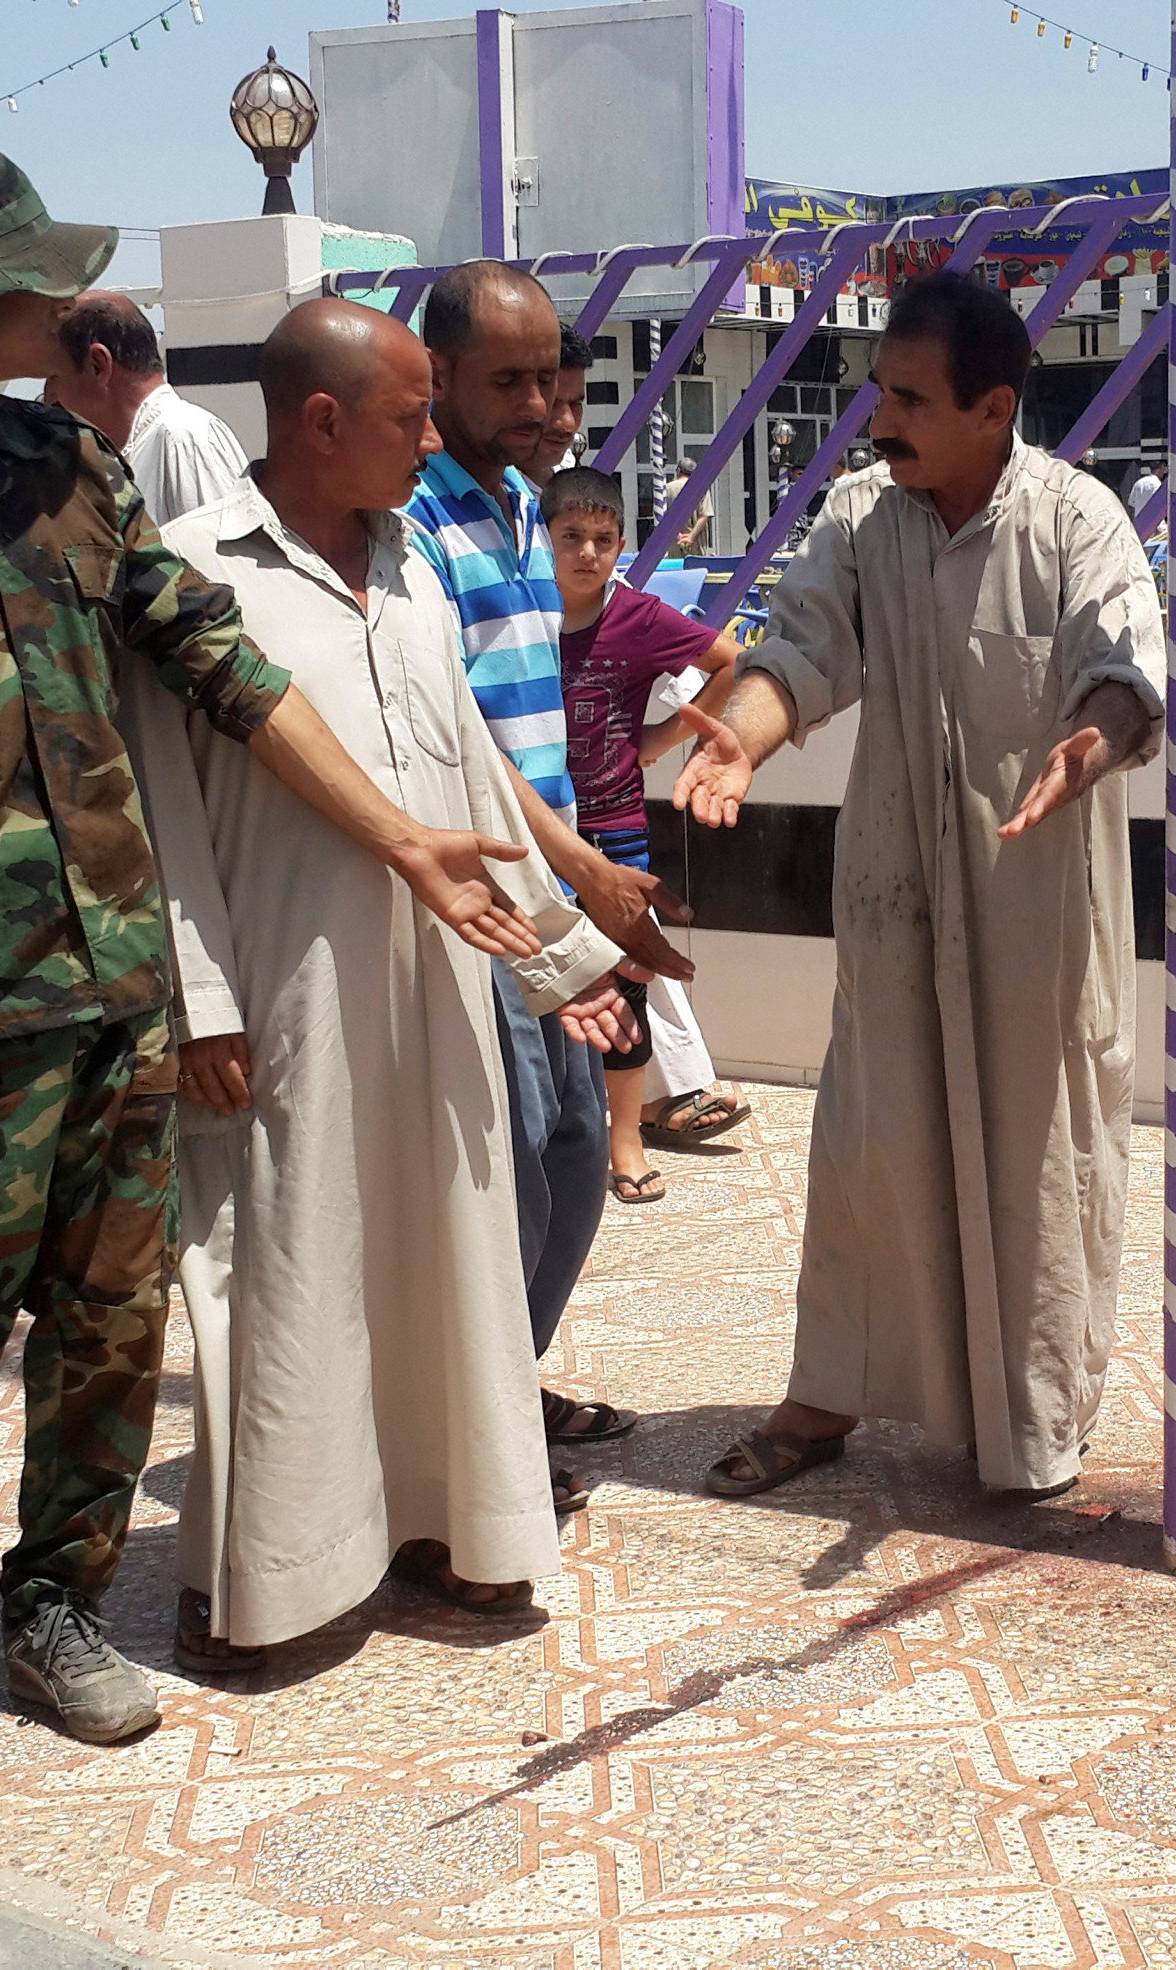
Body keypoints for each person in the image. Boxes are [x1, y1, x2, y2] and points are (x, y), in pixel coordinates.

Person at [0, 157, 544, 1743]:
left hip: (101, 987)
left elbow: (226, 668)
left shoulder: (67, 469)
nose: (58, 302)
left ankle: (50, 1602)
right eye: (34, 277)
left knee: (109, 1331)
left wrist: (404, 841)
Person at [121, 301, 643, 1670]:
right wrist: (203, 1000)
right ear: (322, 421)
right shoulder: (188, 572)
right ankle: (272, 1577)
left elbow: (469, 768)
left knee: (444, 1256)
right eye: (411, 414)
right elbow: (158, 813)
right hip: (285, 983)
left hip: (439, 980)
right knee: (284, 1271)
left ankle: (446, 1525)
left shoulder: (409, 562)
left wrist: (558, 953)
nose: (431, 437)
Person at [676, 273, 1165, 1503]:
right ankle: (824, 1395)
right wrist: (744, 733)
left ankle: (1031, 1429)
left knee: (1044, 1159)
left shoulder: (1078, 522)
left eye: (908, 397)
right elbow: (798, 650)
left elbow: (1123, 668)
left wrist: (1090, 743)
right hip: (896, 907)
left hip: (1037, 920)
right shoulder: (859, 518)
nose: (878, 419)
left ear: (994, 406)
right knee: (867, 1146)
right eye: (876, 391)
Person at [405, 261, 692, 1492]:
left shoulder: (523, 510)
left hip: (559, 900)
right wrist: (568, 866)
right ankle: (466, 1441)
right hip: (491, 908)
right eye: (509, 381)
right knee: (514, 1166)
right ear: (440, 381)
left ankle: (495, 1400)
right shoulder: (413, 524)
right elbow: (455, 738)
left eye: (549, 380)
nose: (542, 404)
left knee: (577, 1149)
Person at [543, 466, 744, 1203]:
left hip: (614, 832)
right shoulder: (522, 618)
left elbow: (726, 661)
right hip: (534, 835)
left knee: (627, 988)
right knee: (544, 998)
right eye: (571, 538)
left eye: (602, 539)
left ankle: (625, 1140)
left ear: (621, 543)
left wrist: (661, 742)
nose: (587, 554)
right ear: (546, 541)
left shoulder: (638, 617)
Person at [43, 291, 248, 525]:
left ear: (97, 365)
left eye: (55, 375)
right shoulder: (124, 450)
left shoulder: (184, 439)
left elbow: (217, 557)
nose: (54, 396)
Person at [528, 323, 593, 487]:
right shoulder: (475, 494)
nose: (568, 423)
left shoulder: (571, 483)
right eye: (551, 402)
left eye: (576, 404)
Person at [666, 453, 714, 555]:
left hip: (675, 545)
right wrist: (691, 537)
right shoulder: (701, 488)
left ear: (678, 471)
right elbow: (705, 516)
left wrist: (677, 535)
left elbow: (664, 518)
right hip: (697, 545)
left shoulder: (668, 489)